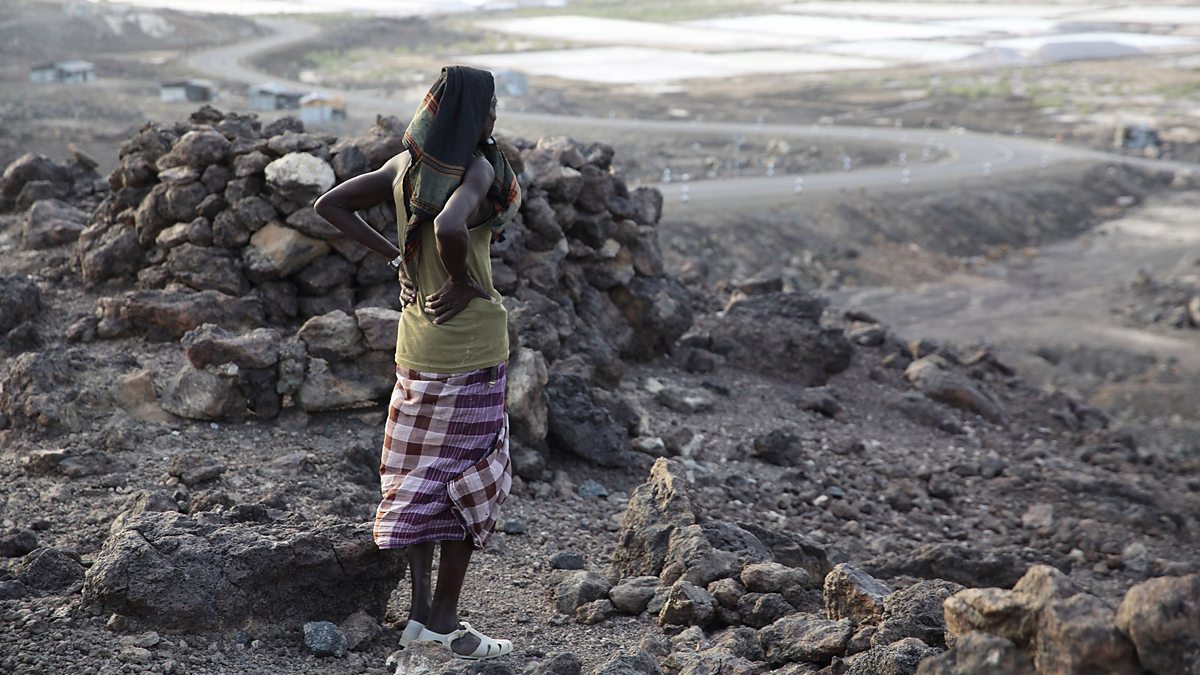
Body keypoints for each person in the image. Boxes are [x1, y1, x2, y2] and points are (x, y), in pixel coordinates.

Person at [314, 65, 522, 661]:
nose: (494, 115)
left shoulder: (402, 168)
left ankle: (419, 618)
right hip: (472, 347)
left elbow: (330, 205)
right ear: (471, 115)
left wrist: (398, 259)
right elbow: (451, 224)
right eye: (490, 107)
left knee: (423, 481)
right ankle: (446, 623)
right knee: (473, 481)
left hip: (416, 350)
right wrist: (460, 280)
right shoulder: (478, 169)